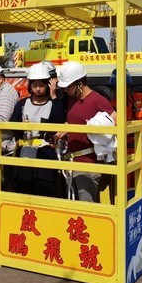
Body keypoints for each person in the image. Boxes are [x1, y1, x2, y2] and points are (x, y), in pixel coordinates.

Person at [54, 61, 116, 202]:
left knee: (86, 203)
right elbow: (71, 122)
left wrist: (97, 127)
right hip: (74, 160)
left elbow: (114, 119)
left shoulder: (97, 100)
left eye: (68, 87)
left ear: (79, 83)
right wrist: (58, 135)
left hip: (90, 163)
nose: (66, 90)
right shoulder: (72, 100)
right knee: (80, 203)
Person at [10, 62, 66, 196]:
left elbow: (60, 120)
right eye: (35, 85)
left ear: (48, 84)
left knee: (45, 191)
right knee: (23, 191)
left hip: (45, 155)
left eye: (41, 85)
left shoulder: (54, 104)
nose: (38, 89)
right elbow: (13, 125)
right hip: (24, 153)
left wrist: (53, 94)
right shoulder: (22, 105)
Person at [109, 68, 142, 184]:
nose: (120, 89)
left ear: (128, 86)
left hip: (140, 147)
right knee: (124, 183)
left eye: (123, 86)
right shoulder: (111, 105)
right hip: (121, 150)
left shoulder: (140, 99)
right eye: (117, 87)